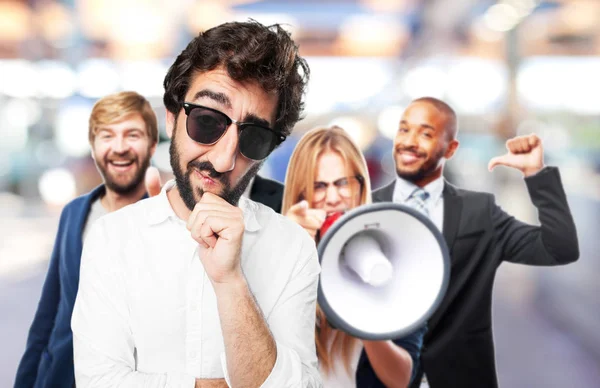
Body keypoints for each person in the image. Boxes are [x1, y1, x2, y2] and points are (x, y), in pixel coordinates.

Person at [71, 20, 321, 387]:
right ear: (172, 118)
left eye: (253, 138)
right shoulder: (112, 238)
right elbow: (97, 381)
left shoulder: (292, 247)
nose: (222, 161)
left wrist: (231, 280)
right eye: (207, 122)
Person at [372, 96, 579, 388]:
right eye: (404, 130)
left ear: (451, 148)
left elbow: (560, 248)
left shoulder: (480, 213)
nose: (409, 141)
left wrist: (536, 175)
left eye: (426, 133)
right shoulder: (365, 211)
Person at [14, 91, 158, 388]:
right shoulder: (74, 213)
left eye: (132, 135)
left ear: (152, 145)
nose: (119, 147)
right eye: (107, 136)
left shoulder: (163, 220)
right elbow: (48, 313)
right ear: (93, 147)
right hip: (59, 378)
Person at [283, 125, 426, 388]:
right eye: (319, 186)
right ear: (300, 192)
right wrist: (281, 254)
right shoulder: (278, 253)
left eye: (342, 183)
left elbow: (402, 379)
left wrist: (363, 316)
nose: (333, 198)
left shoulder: (398, 256)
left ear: (361, 186)